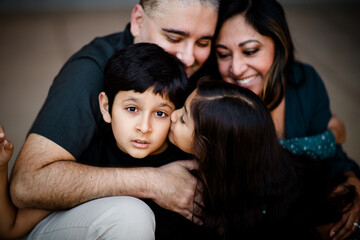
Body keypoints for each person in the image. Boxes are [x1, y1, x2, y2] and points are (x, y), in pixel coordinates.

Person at [9, 0, 218, 238]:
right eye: (173, 37)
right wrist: (153, 182)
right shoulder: (92, 70)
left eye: (203, 42)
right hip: (82, 223)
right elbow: (26, 185)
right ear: (138, 21)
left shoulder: (208, 72)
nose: (189, 57)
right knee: (131, 216)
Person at [206, 0, 360, 239]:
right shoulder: (209, 98)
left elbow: (335, 160)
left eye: (250, 51)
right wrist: (325, 139)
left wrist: (353, 180)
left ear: (279, 47)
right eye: (223, 54)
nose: (235, 68)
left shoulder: (305, 81)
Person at [169, 78, 358, 239]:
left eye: (184, 118)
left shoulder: (247, 211)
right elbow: (326, 141)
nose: (173, 115)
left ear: (212, 148)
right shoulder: (262, 149)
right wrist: (334, 134)